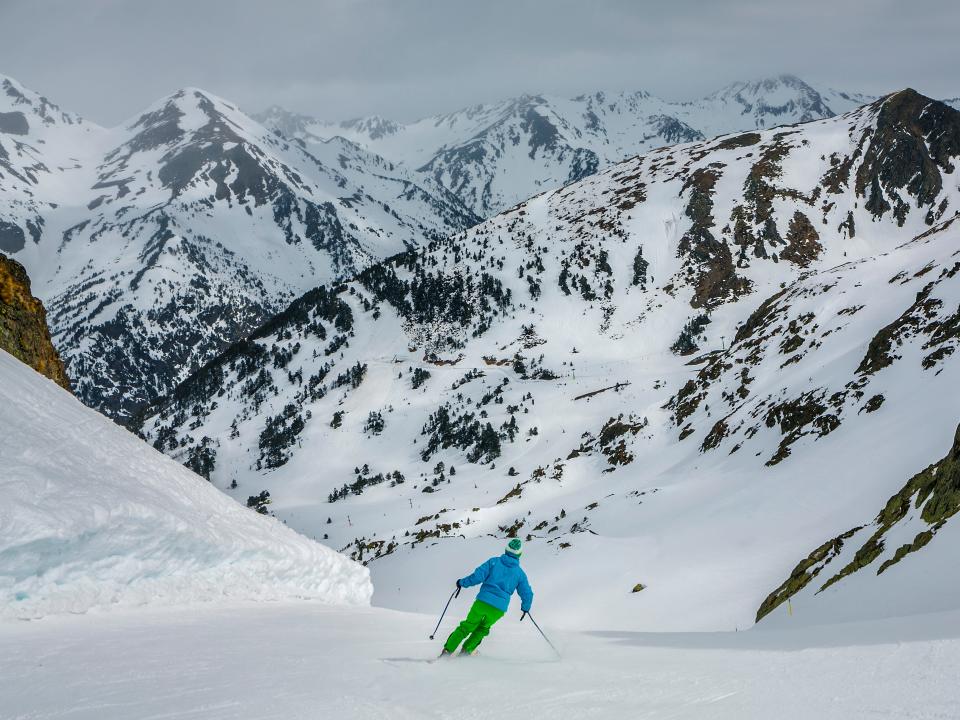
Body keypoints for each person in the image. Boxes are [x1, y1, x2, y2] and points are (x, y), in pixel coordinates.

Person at [441, 538, 534, 657]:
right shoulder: (520, 573)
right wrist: (525, 607)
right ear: (519, 554)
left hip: (482, 602)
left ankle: (447, 651)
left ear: (506, 549)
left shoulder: (493, 562)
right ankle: (466, 652)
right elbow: (527, 593)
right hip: (498, 609)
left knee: (467, 626)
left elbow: (477, 577)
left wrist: (461, 583)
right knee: (482, 629)